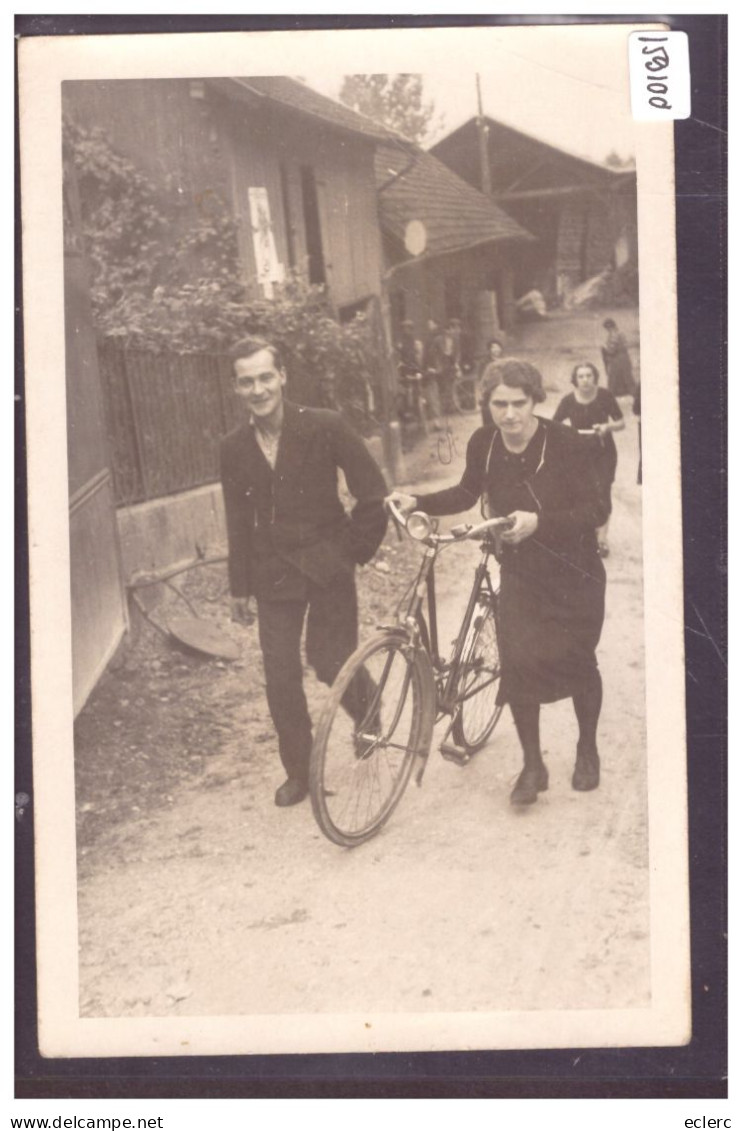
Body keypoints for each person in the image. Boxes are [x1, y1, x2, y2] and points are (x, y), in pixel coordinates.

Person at [387, 359, 608, 807]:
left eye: (518, 403)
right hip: (522, 569)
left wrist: (539, 522)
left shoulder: (564, 442)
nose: (509, 415)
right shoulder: (484, 442)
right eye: (498, 404)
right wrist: (419, 499)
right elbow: (467, 493)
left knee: (577, 660)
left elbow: (596, 510)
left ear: (535, 401)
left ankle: (587, 747)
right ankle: (533, 765)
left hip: (574, 572)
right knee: (518, 662)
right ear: (486, 404)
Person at [220, 336, 388, 808]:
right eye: (246, 381)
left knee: (330, 660)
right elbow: (237, 519)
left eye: (265, 377)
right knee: (279, 675)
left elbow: (372, 492)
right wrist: (239, 586)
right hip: (272, 573)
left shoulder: (324, 426)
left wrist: (353, 550)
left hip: (327, 562)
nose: (258, 389)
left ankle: (367, 708)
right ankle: (300, 771)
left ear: (283, 376)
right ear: (236, 387)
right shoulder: (232, 448)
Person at [553, 362, 625, 557]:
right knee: (581, 491)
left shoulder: (605, 396)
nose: (585, 380)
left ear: (595, 377)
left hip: (604, 452)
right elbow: (554, 424)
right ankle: (585, 534)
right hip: (578, 453)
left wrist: (607, 427)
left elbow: (621, 422)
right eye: (581, 376)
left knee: (603, 490)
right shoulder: (568, 400)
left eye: (589, 376)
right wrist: (569, 434)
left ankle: (602, 538)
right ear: (575, 380)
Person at [601, 318, 636, 397]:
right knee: (627, 377)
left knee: (613, 377)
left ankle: (610, 395)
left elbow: (611, 350)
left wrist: (604, 347)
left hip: (617, 358)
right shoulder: (620, 333)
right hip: (625, 357)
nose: (607, 330)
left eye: (607, 328)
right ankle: (634, 394)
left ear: (609, 327)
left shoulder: (614, 334)